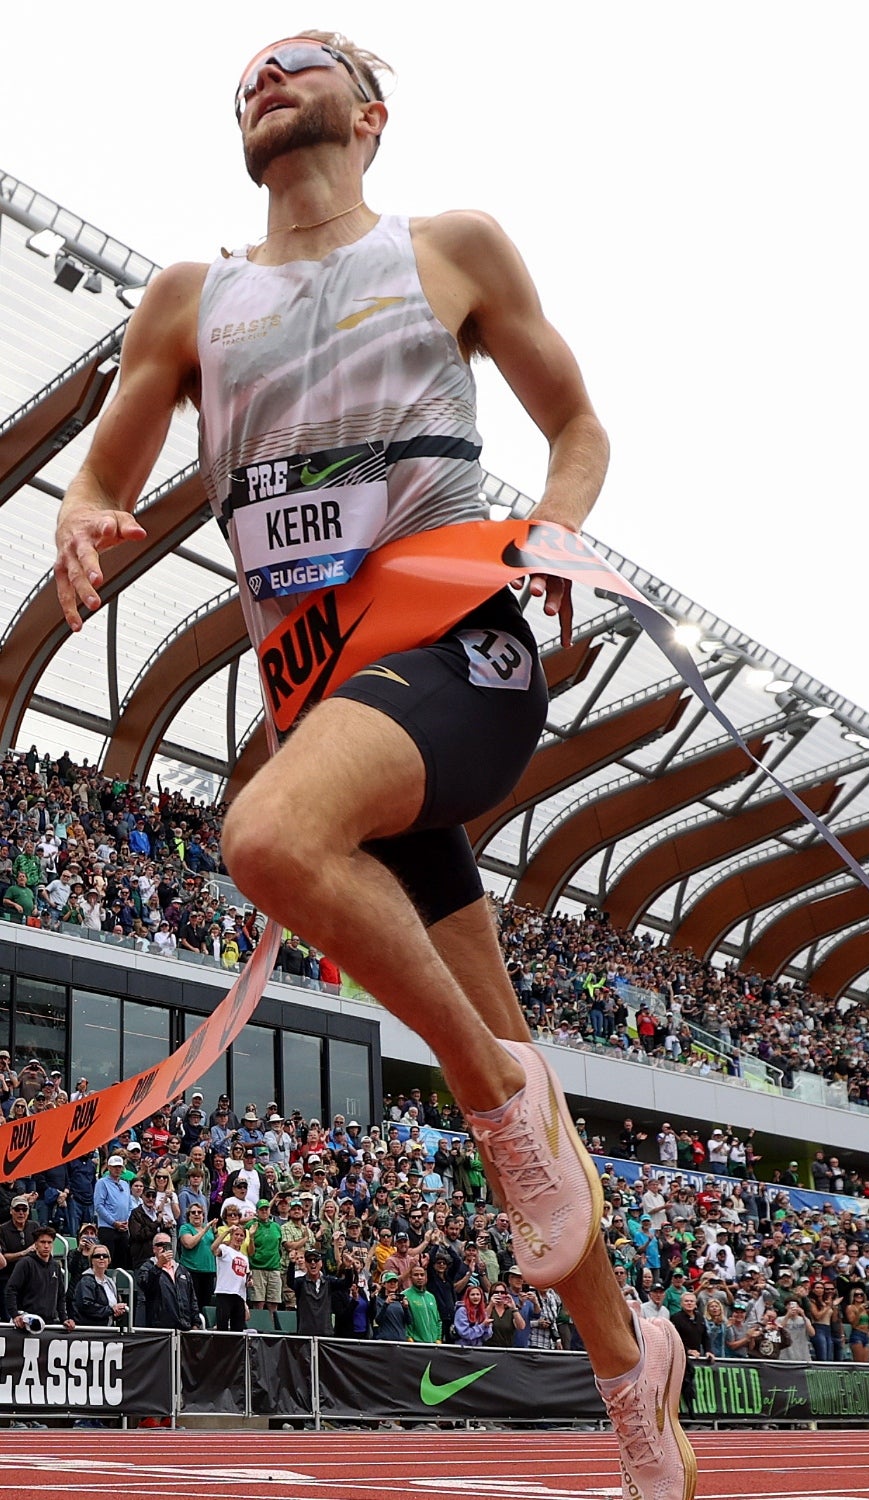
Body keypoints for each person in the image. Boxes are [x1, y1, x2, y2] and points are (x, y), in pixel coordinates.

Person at [53, 30, 690, 1499]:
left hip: (460, 644)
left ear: (372, 112)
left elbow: (578, 424)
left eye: (303, 61)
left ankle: (499, 1086)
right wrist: (87, 509)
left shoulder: (451, 247)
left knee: (268, 842)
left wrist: (559, 553)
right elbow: (106, 462)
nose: (267, 78)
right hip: (326, 705)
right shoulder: (187, 298)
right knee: (509, 1110)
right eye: (248, 75)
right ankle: (630, 1372)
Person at [5, 1225, 72, 1330]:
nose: (46, 1246)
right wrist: (15, 1315)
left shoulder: (56, 1266)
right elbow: (11, 1289)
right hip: (27, 1323)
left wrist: (64, 1318)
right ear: (36, 1244)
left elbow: (60, 1295)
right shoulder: (25, 1263)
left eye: (49, 1242)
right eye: (42, 1242)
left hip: (50, 1323)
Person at [136, 1232, 200, 1331]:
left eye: (167, 1245)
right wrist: (158, 1266)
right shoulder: (146, 1268)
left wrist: (195, 1323)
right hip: (159, 1329)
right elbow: (146, 1289)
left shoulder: (182, 1270)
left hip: (183, 1327)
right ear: (154, 1249)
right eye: (160, 1245)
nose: (164, 1248)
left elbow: (192, 1298)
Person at [70, 1242, 129, 1329]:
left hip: (108, 1328)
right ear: (91, 1260)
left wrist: (118, 1312)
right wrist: (111, 1310)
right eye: (97, 1256)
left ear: (109, 1260)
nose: (101, 1258)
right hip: (91, 1331)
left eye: (105, 1256)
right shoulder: (86, 1281)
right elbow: (87, 1306)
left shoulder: (110, 1282)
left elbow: (113, 1307)